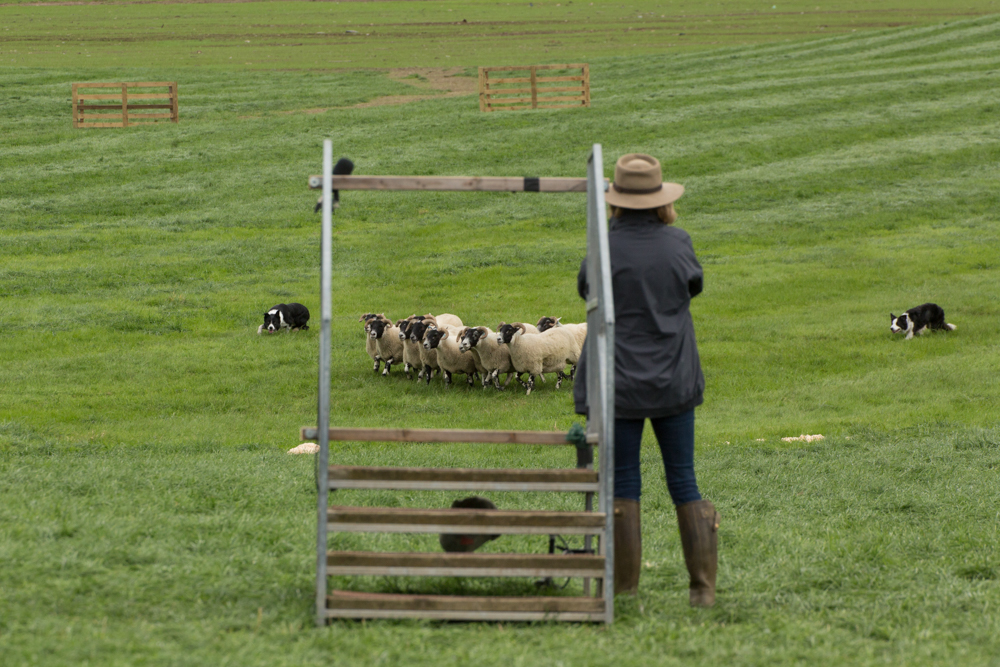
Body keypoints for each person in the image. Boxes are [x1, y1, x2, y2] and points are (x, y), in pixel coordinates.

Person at [574, 153, 720, 607]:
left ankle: (625, 590)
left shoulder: (603, 247)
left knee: (623, 483)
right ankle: (702, 591)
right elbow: (692, 286)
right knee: (684, 479)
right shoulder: (679, 243)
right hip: (674, 378)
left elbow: (586, 291)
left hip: (619, 382)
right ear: (661, 199)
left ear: (616, 200)